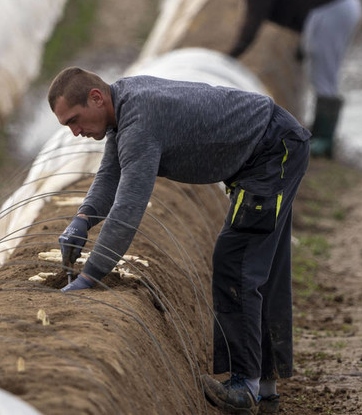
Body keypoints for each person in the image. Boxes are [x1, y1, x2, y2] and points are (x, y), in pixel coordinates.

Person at [48, 66, 311, 414]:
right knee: (261, 267)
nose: (75, 132)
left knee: (237, 263)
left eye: (74, 120)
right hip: (271, 146)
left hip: (272, 154)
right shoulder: (124, 104)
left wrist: (89, 276)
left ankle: (245, 388)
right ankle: (264, 388)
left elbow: (128, 209)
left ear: (96, 98)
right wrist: (81, 220)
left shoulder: (139, 123)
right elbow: (110, 175)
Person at [213, 0, 362, 159]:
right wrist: (304, 44)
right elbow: (300, 3)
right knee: (321, 72)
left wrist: (228, 59)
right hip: (338, 8)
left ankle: (324, 141)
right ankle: (319, 134)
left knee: (324, 76)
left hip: (332, 11)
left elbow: (251, 27)